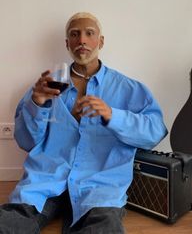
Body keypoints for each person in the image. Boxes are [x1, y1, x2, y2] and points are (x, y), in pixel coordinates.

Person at [0, 12, 168, 234]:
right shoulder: (46, 87)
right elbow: (26, 141)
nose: (82, 40)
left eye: (89, 33)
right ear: (67, 43)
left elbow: (155, 132)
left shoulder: (129, 89)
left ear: (101, 41)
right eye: (74, 34)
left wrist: (112, 115)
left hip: (99, 190)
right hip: (44, 183)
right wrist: (36, 104)